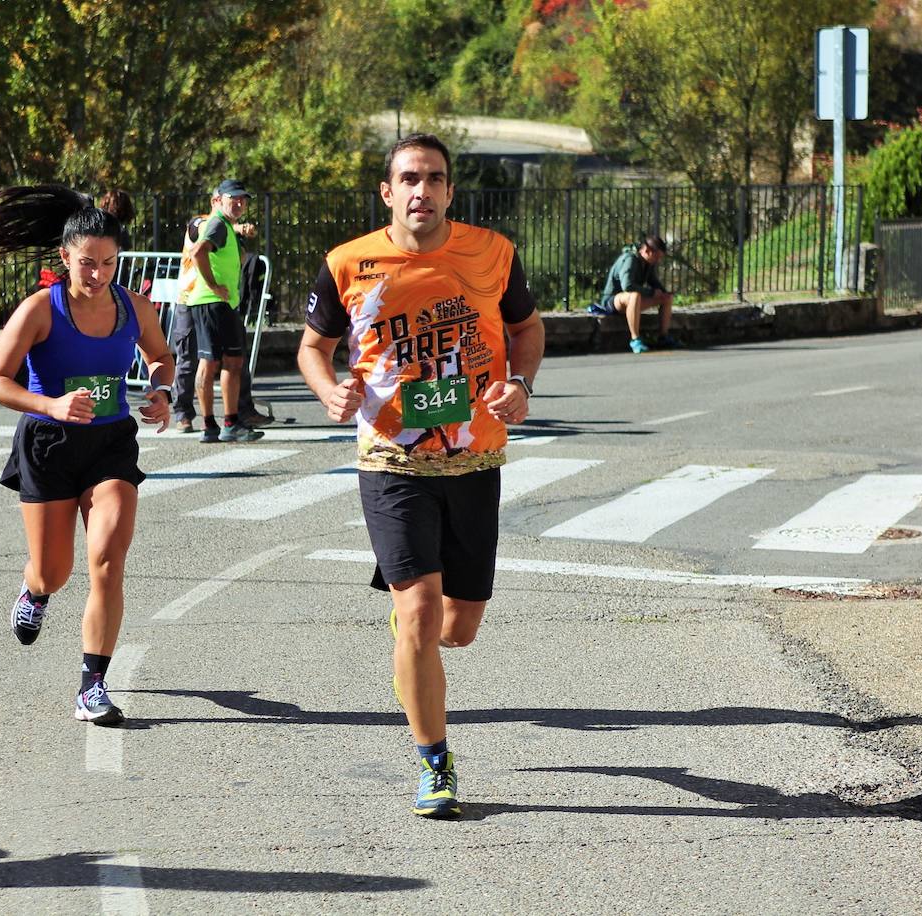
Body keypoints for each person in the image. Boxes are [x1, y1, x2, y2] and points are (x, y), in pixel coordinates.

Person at [297, 134, 545, 819]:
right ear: (388, 191)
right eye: (409, 178)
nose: (422, 191)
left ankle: (417, 636)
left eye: (434, 179)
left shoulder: (492, 254)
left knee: (458, 629)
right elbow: (312, 347)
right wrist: (326, 390)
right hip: (390, 459)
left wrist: (520, 383)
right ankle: (436, 763)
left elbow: (527, 328)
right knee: (418, 612)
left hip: (474, 459)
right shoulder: (349, 264)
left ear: (449, 191)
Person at [0, 184, 174, 727]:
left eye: (108, 263)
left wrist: (162, 391)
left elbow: (160, 356)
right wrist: (51, 404)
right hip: (49, 445)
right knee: (55, 571)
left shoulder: (133, 306)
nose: (98, 273)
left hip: (110, 443)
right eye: (88, 263)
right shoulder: (41, 309)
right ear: (65, 258)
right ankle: (34, 589)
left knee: (108, 560)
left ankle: (92, 686)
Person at [176, 179, 266, 443]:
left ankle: (213, 425)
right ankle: (227, 423)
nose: (239, 203)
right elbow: (198, 251)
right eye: (233, 198)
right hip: (214, 303)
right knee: (229, 361)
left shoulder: (224, 225)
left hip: (210, 303)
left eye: (243, 199)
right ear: (217, 201)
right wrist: (214, 286)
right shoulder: (215, 223)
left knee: (216, 361)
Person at [590, 233, 675, 354]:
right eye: (656, 257)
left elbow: (653, 282)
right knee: (634, 295)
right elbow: (628, 286)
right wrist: (651, 292)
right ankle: (635, 339)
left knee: (667, 298)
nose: (658, 261)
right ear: (647, 250)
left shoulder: (647, 263)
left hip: (631, 302)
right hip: (613, 302)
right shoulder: (630, 259)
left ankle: (663, 337)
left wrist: (664, 293)